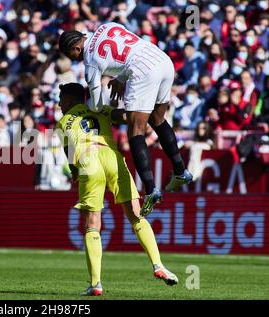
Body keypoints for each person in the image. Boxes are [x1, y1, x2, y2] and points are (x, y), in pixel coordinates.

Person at [55, 83, 178, 296]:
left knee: (92, 224)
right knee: (136, 215)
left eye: (60, 99)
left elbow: (71, 156)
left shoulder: (63, 122)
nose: (58, 104)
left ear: (68, 100)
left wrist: (75, 172)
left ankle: (96, 284)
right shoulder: (99, 109)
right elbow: (125, 116)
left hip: (88, 160)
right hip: (112, 157)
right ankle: (158, 265)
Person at [59, 23, 193, 217]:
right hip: (162, 61)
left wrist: (107, 112)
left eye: (71, 56)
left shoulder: (90, 63)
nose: (74, 60)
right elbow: (129, 51)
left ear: (76, 48)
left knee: (135, 131)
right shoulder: (106, 26)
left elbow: (96, 106)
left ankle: (150, 190)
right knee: (157, 119)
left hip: (143, 72)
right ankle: (181, 171)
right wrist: (122, 79)